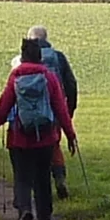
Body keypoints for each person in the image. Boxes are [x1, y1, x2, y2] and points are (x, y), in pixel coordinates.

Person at [0, 38, 77, 220]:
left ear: (23, 55)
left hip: (19, 139)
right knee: (43, 182)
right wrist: (70, 135)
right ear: (40, 57)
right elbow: (60, 109)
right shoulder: (49, 77)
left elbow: (1, 111)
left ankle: (24, 210)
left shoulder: (15, 76)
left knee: (22, 180)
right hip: (46, 139)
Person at [27, 25, 78, 198]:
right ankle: (59, 179)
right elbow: (71, 85)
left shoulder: (23, 58)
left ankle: (37, 187)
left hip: (29, 113)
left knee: (32, 148)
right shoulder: (58, 57)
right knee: (54, 144)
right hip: (54, 110)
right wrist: (68, 111)